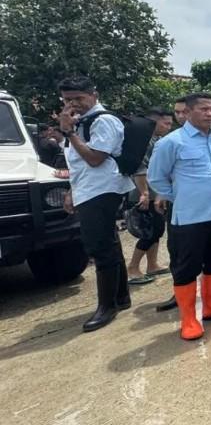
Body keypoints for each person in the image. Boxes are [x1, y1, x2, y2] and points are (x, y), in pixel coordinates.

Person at [148, 92, 211, 340]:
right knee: (186, 268)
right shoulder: (172, 142)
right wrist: (181, 197)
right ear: (188, 112)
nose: (209, 113)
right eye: (203, 109)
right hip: (190, 217)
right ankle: (189, 318)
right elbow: (156, 178)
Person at [58, 76, 135, 332]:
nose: (73, 104)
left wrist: (68, 132)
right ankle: (121, 297)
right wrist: (72, 190)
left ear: (94, 95)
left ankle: (107, 306)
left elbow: (94, 159)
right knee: (109, 243)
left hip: (103, 189)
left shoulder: (104, 121)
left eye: (78, 98)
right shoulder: (80, 123)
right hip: (87, 189)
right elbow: (77, 164)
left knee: (99, 247)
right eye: (68, 99)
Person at [125, 107, 174, 284]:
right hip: (144, 192)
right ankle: (133, 267)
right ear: (153, 121)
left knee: (157, 229)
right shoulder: (145, 141)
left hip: (155, 192)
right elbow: (140, 168)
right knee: (149, 232)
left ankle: (152, 264)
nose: (168, 127)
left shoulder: (157, 140)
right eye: (166, 123)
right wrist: (144, 193)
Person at [154, 96, 188, 313]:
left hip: (209, 204)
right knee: (177, 249)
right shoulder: (169, 142)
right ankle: (181, 293)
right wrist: (165, 195)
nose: (181, 116)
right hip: (179, 203)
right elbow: (158, 175)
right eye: (177, 113)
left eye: (185, 111)